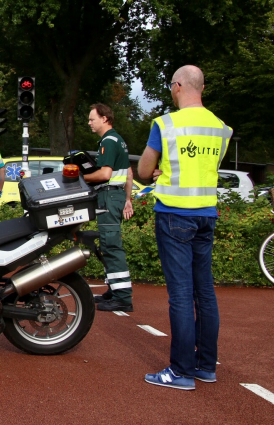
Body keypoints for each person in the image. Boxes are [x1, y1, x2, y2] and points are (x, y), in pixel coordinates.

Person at [138, 65, 232, 391]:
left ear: (177, 86)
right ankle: (206, 366)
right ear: (201, 87)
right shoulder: (221, 128)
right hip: (207, 214)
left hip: (174, 213)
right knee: (204, 293)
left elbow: (144, 168)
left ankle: (181, 371)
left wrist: (156, 170)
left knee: (180, 295)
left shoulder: (165, 124)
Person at [82, 104, 135, 313]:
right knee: (109, 243)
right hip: (116, 195)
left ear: (104, 118)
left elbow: (104, 175)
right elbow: (129, 173)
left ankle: (122, 297)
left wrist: (78, 177)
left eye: (91, 119)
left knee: (110, 244)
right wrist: (127, 199)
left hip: (109, 195)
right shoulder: (118, 140)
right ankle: (115, 289)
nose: (89, 123)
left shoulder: (108, 142)